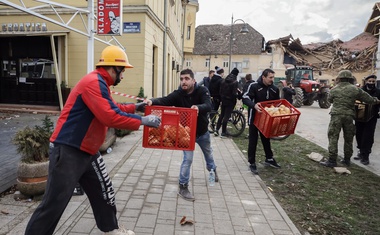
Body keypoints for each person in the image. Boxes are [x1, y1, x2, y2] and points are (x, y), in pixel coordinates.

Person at [24, 45, 161, 235]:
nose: (122, 77)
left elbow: (113, 107)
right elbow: (110, 116)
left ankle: (111, 229)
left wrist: (135, 107)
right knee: (54, 203)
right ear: (113, 68)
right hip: (69, 150)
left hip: (87, 151)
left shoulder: (100, 83)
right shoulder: (93, 82)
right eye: (122, 72)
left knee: (104, 192)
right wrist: (143, 121)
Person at [145, 68, 218, 201]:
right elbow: (164, 100)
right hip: (185, 135)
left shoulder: (202, 91)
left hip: (202, 132)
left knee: (208, 154)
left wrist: (198, 107)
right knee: (187, 159)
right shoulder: (178, 94)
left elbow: (208, 105)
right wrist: (152, 101)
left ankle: (212, 170)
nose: (183, 82)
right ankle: (183, 186)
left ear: (193, 80)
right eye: (181, 79)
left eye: (186, 79)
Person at [320, 70, 380, 168]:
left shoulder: (334, 89)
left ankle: (332, 160)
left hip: (336, 116)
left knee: (333, 137)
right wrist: (376, 101)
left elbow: (329, 100)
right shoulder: (355, 89)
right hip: (349, 116)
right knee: (348, 138)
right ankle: (347, 160)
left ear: (339, 78)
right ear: (350, 79)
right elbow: (369, 99)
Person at [242, 68, 281, 175]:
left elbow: (277, 103)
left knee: (266, 139)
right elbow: (245, 97)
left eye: (273, 77)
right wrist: (254, 105)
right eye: (270, 77)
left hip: (267, 119)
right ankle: (252, 162)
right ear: (263, 77)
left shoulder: (274, 89)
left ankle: (269, 159)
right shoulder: (254, 86)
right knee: (253, 140)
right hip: (254, 118)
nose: (272, 80)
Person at [354, 74, 380, 165]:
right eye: (370, 81)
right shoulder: (360, 91)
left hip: (371, 118)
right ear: (366, 82)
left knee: (368, 137)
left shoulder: (378, 92)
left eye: (373, 81)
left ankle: (365, 156)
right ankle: (360, 152)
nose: (371, 83)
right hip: (359, 117)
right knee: (359, 134)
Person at [214, 67, 240, 137]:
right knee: (226, 116)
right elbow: (234, 94)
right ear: (236, 75)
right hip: (230, 101)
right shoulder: (235, 82)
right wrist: (238, 95)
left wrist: (223, 97)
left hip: (223, 100)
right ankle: (223, 132)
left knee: (222, 115)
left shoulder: (224, 81)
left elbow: (220, 91)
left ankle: (216, 130)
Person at [208, 66, 224, 131]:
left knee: (214, 110)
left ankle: (212, 123)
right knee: (215, 111)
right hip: (218, 97)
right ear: (221, 73)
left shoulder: (213, 78)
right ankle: (212, 123)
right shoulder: (220, 80)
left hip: (212, 96)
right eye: (223, 73)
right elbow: (221, 90)